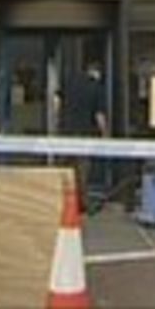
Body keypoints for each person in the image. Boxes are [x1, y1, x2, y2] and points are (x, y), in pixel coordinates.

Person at [57, 60, 109, 213]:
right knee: (82, 169)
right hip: (83, 133)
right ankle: (81, 203)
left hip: (65, 131)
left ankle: (62, 199)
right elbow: (99, 115)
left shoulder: (71, 82)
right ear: (97, 73)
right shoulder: (97, 88)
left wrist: (58, 121)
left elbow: (56, 101)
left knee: (65, 166)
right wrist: (105, 135)